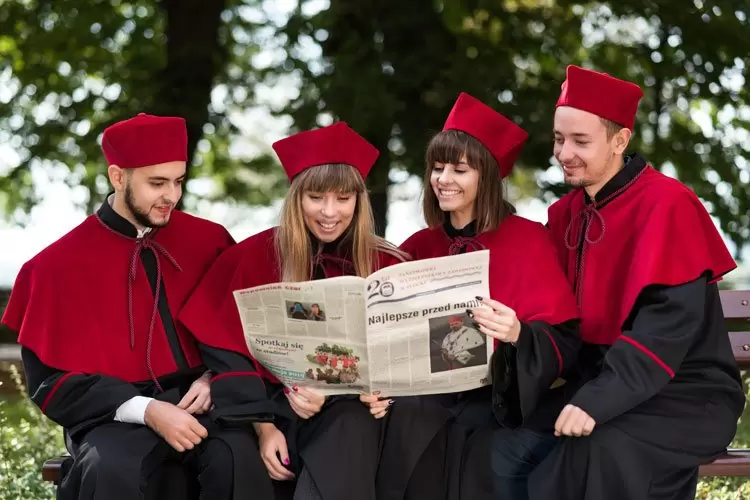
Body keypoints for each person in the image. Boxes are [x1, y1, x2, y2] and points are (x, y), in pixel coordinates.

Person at [1, 113, 280, 500]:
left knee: (236, 457)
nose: (172, 195)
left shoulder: (210, 241)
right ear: (118, 177)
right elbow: (51, 383)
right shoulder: (56, 266)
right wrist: (146, 409)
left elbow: (240, 332)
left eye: (178, 181)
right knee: (111, 469)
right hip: (113, 416)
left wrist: (215, 378)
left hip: (205, 405)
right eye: (157, 183)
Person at [530, 65, 745, 499]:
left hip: (686, 395)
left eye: (580, 141)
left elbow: (665, 331)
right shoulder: (564, 215)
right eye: (558, 138)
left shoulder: (669, 205)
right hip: (601, 384)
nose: (564, 152)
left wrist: (596, 401)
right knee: (495, 437)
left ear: (619, 140)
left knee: (598, 449)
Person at [364, 92, 581, 500]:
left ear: (487, 177)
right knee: (407, 422)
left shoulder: (529, 240)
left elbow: (564, 340)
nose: (443, 179)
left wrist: (519, 332)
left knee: (479, 445)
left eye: (459, 170)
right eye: (437, 167)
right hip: (424, 398)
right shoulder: (416, 245)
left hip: (496, 399)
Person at [178, 121, 406, 500]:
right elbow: (225, 351)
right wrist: (264, 428)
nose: (329, 212)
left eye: (343, 198)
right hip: (262, 407)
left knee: (354, 426)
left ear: (359, 201)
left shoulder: (385, 262)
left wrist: (378, 392)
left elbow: (398, 354)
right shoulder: (253, 257)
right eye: (316, 197)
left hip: (345, 413)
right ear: (296, 197)